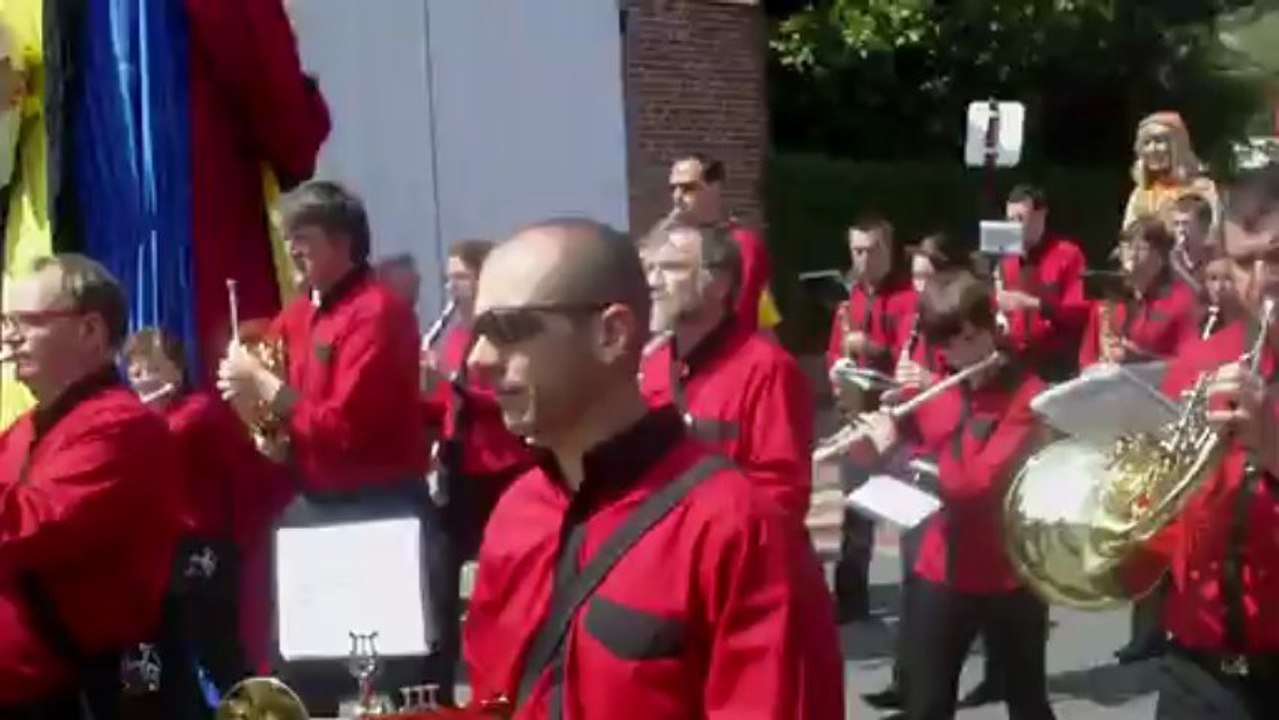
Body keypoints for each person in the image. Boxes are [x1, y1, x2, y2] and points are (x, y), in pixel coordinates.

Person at [462, 217, 844, 718]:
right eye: (478, 331)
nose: (478, 359)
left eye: (509, 329)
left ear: (611, 334)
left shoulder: (739, 532)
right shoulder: (516, 512)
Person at [216, 180, 434, 713]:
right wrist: (252, 406)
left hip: (379, 512)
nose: (291, 247)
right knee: (297, 671)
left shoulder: (377, 312)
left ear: (343, 243)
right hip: (320, 504)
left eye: (303, 236)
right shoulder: (299, 315)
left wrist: (261, 384)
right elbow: (291, 411)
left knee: (383, 682)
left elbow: (343, 428)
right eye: (287, 235)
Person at [850, 269, 1056, 720]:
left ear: (989, 326)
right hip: (941, 569)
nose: (956, 356)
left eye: (965, 339)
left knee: (1028, 706)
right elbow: (893, 456)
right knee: (924, 708)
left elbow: (976, 484)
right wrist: (871, 443)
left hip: (1011, 574)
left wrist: (898, 452)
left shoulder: (1029, 397)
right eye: (944, 345)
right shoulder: (937, 388)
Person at [0, 254, 185, 717]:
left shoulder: (122, 427)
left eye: (27, 322)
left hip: (72, 697)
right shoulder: (22, 431)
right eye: (5, 322)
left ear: (90, 331)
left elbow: (29, 529)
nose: (8, 338)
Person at [1129, 165, 1279, 719]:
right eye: (1243, 262)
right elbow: (1167, 507)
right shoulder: (1198, 363)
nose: (1260, 280)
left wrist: (1273, 448)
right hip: (1198, 663)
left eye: (1278, 257)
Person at [122, 326, 294, 679]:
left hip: (204, 549)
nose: (145, 380)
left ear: (177, 370)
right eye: (136, 373)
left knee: (216, 648)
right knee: (160, 655)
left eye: (154, 369)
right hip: (167, 553)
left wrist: (140, 421)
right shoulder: (150, 417)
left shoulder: (198, 412)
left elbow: (160, 447)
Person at [639, 221, 813, 527]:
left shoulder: (768, 370)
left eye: (670, 268)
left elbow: (782, 497)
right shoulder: (650, 367)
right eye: (649, 269)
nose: (653, 281)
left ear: (718, 283)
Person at [862, 231, 969, 712]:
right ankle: (906, 682)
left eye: (929, 277)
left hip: (951, 461)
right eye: (917, 276)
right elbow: (914, 390)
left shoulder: (963, 324)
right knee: (911, 575)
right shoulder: (913, 320)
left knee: (937, 586)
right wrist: (894, 395)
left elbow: (972, 396)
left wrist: (927, 383)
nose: (918, 287)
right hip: (914, 450)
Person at [825, 214, 913, 623]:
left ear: (888, 251)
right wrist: (836, 367)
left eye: (871, 250)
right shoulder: (850, 298)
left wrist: (872, 347)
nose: (862, 259)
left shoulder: (908, 297)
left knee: (905, 513)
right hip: (857, 414)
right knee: (854, 508)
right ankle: (850, 598)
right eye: (856, 251)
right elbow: (833, 348)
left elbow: (910, 356)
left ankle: (920, 600)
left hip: (896, 416)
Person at [668, 154, 782, 333]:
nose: (677, 197)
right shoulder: (667, 247)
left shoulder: (744, 245)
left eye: (687, 188)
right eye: (673, 189)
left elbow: (763, 318)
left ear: (714, 188)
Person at [1079, 217, 1200, 370]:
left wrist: (1141, 359)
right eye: (1127, 247)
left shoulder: (1182, 301)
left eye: (1141, 248)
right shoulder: (1108, 300)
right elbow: (1086, 360)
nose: (1132, 256)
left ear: (1161, 257)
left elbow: (1190, 364)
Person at [997, 183, 1089, 383]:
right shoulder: (1007, 261)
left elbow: (1079, 312)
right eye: (1010, 219)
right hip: (1018, 367)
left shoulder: (1068, 254)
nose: (1013, 227)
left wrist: (1030, 303)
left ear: (1041, 216)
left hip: (1058, 367)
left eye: (1020, 219)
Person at [1122, 112, 1218, 230]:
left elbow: (1213, 235)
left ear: (1178, 146)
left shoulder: (1202, 189)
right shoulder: (1140, 193)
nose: (1152, 149)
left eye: (1159, 141)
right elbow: (1128, 237)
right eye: (1146, 143)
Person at [1168, 192, 1216, 292]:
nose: (1181, 230)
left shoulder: (1215, 258)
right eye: (1176, 224)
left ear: (1204, 227)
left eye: (1186, 224)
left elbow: (1206, 296)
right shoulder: (1167, 261)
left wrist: (1179, 268)